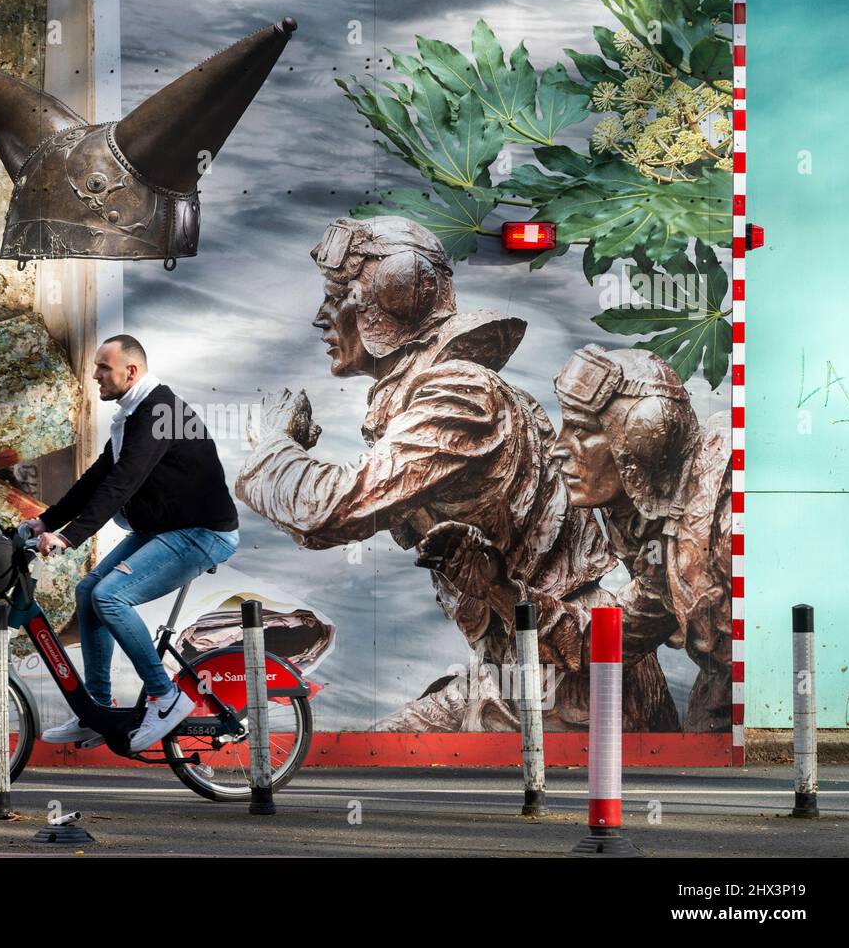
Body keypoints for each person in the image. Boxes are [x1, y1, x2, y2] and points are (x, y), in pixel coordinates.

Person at [235, 216, 676, 732]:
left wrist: (272, 447)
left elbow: (331, 511)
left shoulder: (460, 393)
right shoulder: (436, 393)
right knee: (381, 765)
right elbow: (324, 524)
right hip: (519, 661)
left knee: (401, 784)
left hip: (567, 675)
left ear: (391, 298)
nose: (321, 317)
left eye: (338, 296)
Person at [24, 335, 241, 751]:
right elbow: (99, 477)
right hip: (165, 529)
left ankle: (165, 695)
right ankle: (97, 710)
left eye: (103, 368)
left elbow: (123, 484)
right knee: (88, 591)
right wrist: (45, 521)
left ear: (131, 371)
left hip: (202, 534)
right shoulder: (134, 413)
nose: (94, 375)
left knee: (110, 597)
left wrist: (70, 536)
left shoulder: (159, 412)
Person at [551, 344, 733, 732]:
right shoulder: (658, 528)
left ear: (640, 439)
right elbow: (616, 639)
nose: (558, 449)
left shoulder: (726, 510)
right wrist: (502, 590)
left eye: (581, 430)